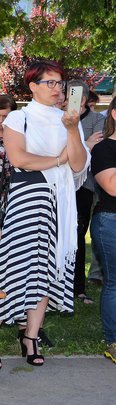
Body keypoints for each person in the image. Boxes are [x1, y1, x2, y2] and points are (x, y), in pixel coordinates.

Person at [0, 61, 89, 368]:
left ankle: (31, 335)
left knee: (48, 266)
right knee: (15, 262)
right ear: (32, 86)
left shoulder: (69, 119)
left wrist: (71, 129)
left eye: (61, 83)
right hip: (29, 196)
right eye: (51, 83)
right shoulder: (19, 116)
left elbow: (79, 164)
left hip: (62, 200)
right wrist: (58, 159)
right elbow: (19, 158)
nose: (58, 89)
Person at [68, 79, 105, 305]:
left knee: (78, 236)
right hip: (61, 184)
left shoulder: (97, 119)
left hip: (84, 186)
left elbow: (95, 148)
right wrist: (86, 144)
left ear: (83, 99)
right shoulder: (57, 119)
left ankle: (77, 288)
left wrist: (85, 147)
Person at [90, 96, 116, 363]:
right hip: (111, 221)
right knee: (115, 283)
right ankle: (114, 340)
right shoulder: (104, 148)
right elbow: (112, 186)